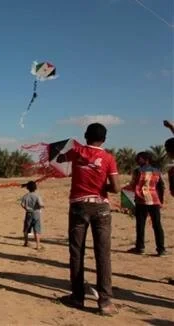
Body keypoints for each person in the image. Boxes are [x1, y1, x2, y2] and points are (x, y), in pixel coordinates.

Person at [56, 123, 119, 316]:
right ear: (105, 139)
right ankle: (105, 302)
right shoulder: (108, 158)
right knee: (103, 254)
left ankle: (77, 297)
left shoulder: (77, 152)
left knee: (77, 252)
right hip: (101, 207)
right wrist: (102, 187)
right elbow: (116, 188)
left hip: (79, 206)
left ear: (85, 135)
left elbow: (60, 158)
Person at [127, 152, 166, 256]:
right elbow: (161, 186)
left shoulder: (137, 171)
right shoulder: (157, 171)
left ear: (146, 159)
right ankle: (161, 249)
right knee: (157, 225)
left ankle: (140, 247)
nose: (137, 160)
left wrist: (129, 201)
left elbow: (133, 185)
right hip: (154, 200)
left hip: (141, 200)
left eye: (139, 158)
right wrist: (161, 201)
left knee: (140, 224)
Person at [21, 180, 44, 250]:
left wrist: (26, 208)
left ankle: (26, 242)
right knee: (37, 230)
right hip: (36, 214)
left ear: (27, 188)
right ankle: (38, 245)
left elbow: (22, 204)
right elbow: (41, 204)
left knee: (26, 229)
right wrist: (40, 207)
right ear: (35, 188)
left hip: (29, 213)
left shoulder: (26, 196)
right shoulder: (37, 196)